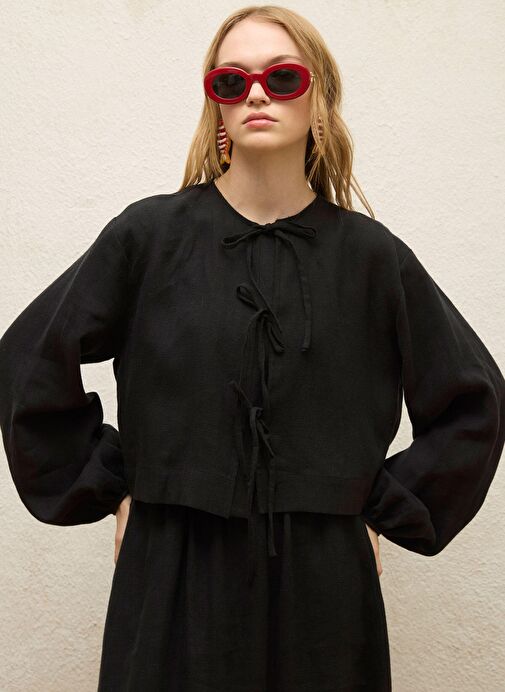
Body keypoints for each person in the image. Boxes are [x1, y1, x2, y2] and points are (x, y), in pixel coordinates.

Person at [0, 6, 503, 692]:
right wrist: (111, 487)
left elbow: (474, 401)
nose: (257, 94)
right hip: (170, 571)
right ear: (216, 104)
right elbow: (28, 363)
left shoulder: (370, 258)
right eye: (231, 82)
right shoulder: (148, 238)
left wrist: (390, 508)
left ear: (318, 97)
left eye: (282, 77)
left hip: (325, 584)